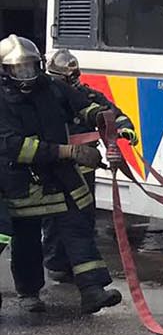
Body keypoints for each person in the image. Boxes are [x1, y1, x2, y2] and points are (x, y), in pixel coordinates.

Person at [0, 36, 130, 313]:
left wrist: (99, 118)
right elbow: (12, 146)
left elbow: (83, 104)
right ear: (5, 71)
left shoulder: (52, 87)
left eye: (31, 67)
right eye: (19, 70)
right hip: (21, 183)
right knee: (27, 242)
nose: (27, 75)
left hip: (60, 178)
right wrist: (68, 152)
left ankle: (93, 290)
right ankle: (30, 294)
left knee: (78, 230)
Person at [41, 49, 117, 285]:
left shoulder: (86, 96)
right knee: (54, 218)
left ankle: (78, 270)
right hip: (54, 167)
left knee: (83, 219)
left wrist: (123, 131)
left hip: (84, 168)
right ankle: (56, 264)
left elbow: (111, 113)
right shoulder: (43, 100)